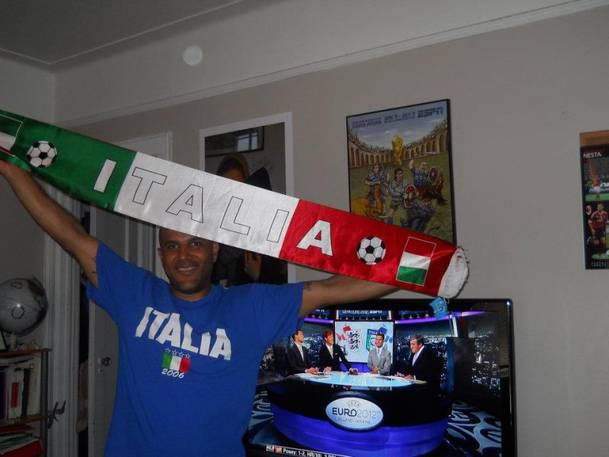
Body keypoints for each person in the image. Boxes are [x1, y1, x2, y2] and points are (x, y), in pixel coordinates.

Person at [0, 159, 394, 457]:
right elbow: (70, 234)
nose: (183, 255)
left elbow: (330, 290)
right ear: (161, 254)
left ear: (215, 249)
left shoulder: (250, 306)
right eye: (172, 245)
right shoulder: (135, 293)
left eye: (195, 243)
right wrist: (10, 168)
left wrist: (415, 267)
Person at [212, 154, 286, 285]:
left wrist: (258, 275)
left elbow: (279, 284)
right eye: (227, 187)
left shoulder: (263, 228)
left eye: (238, 187)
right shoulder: (211, 228)